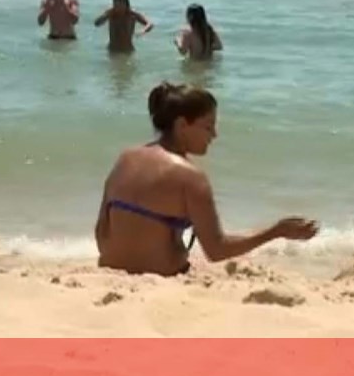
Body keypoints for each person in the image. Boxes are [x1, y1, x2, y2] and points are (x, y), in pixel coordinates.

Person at [94, 81, 319, 275]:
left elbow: (101, 231)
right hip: (161, 275)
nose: (214, 134)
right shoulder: (190, 177)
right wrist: (276, 231)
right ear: (182, 125)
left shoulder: (125, 158)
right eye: (208, 126)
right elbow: (217, 250)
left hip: (109, 268)